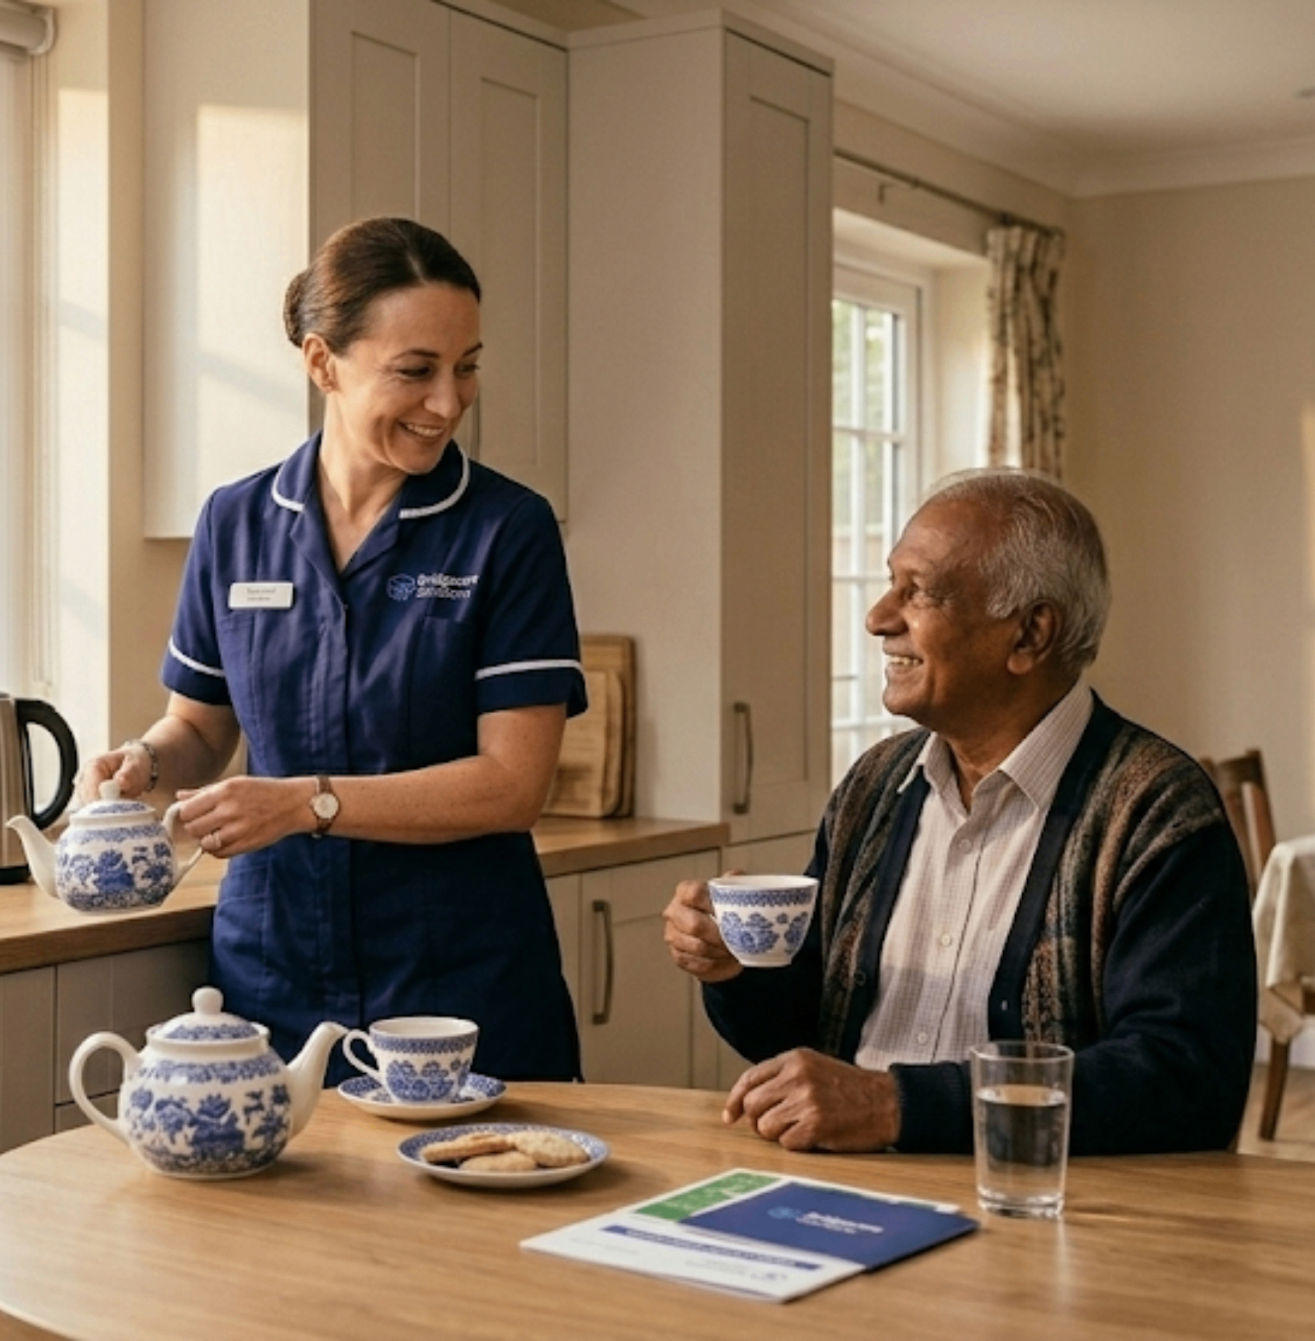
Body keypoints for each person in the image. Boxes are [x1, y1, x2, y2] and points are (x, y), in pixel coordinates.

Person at [79, 217, 586, 1082]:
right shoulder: (234, 523)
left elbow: (513, 784)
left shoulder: (508, 529)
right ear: (322, 362)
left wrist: (306, 803)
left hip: (462, 987)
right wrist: (141, 761)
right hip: (273, 979)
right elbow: (198, 731)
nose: (449, 402)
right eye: (415, 370)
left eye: (465, 367)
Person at [662, 468, 1255, 1155]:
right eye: (891, 583)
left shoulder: (1156, 809)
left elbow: (1185, 1082)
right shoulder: (874, 786)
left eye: (918, 592)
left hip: (1040, 1214)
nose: (879, 617)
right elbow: (806, 1025)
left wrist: (898, 1105)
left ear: (1030, 634)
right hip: (850, 1185)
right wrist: (736, 967)